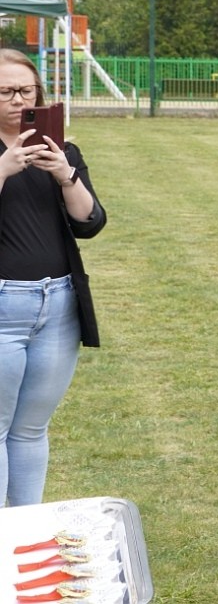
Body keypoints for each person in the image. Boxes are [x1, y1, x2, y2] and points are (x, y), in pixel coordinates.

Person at [0, 48, 106, 507]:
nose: (15, 99)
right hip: (3, 305)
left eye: (25, 90)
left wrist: (65, 174)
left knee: (30, 429)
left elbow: (91, 222)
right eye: (4, 91)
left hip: (57, 306)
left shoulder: (59, 149)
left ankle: (23, 533)